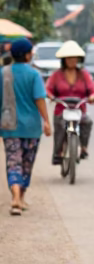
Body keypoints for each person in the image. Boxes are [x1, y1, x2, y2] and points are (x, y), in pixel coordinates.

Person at [1, 38, 52, 215]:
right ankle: (20, 198)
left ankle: (15, 198)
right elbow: (39, 99)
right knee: (27, 163)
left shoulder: (3, 73)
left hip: (9, 126)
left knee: (13, 162)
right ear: (28, 55)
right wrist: (46, 121)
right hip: (31, 127)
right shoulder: (33, 75)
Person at [46, 41, 94, 166]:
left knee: (87, 122)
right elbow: (47, 89)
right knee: (60, 127)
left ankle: (84, 148)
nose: (71, 61)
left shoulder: (84, 75)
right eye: (69, 58)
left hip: (79, 109)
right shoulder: (56, 75)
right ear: (64, 60)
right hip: (61, 109)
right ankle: (58, 153)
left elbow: (93, 89)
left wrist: (92, 96)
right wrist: (51, 96)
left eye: (74, 58)